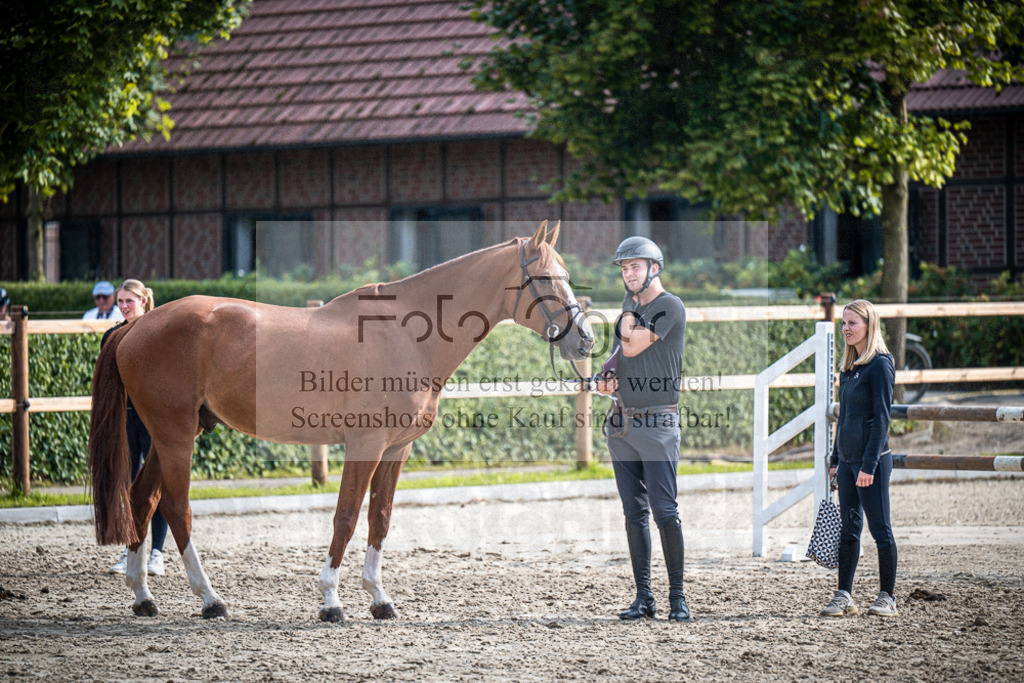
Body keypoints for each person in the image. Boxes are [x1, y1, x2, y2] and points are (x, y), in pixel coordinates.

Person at [596, 236, 689, 622]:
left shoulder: (669, 306)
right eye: (624, 268)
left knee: (665, 511)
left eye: (635, 266)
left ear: (655, 268)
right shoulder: (630, 307)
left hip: (658, 422)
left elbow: (633, 345)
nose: (628, 274)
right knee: (633, 513)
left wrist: (627, 317)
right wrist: (607, 373)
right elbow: (622, 354)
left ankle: (678, 598)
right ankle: (644, 597)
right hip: (624, 422)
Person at [820, 299, 897, 618]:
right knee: (849, 529)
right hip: (849, 462)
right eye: (844, 323)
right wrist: (836, 460)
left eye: (853, 323)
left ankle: (887, 597)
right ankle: (843, 595)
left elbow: (882, 420)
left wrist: (869, 465)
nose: (846, 329)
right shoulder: (849, 369)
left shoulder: (880, 365)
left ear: (869, 325)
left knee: (881, 530)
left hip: (872, 463)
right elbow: (845, 417)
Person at [103, 279, 168, 577]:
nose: (124, 306)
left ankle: (157, 553)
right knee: (128, 486)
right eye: (121, 301)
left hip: (151, 418)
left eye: (130, 300)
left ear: (144, 301)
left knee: (157, 484)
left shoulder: (157, 333)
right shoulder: (111, 336)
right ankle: (131, 549)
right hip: (126, 418)